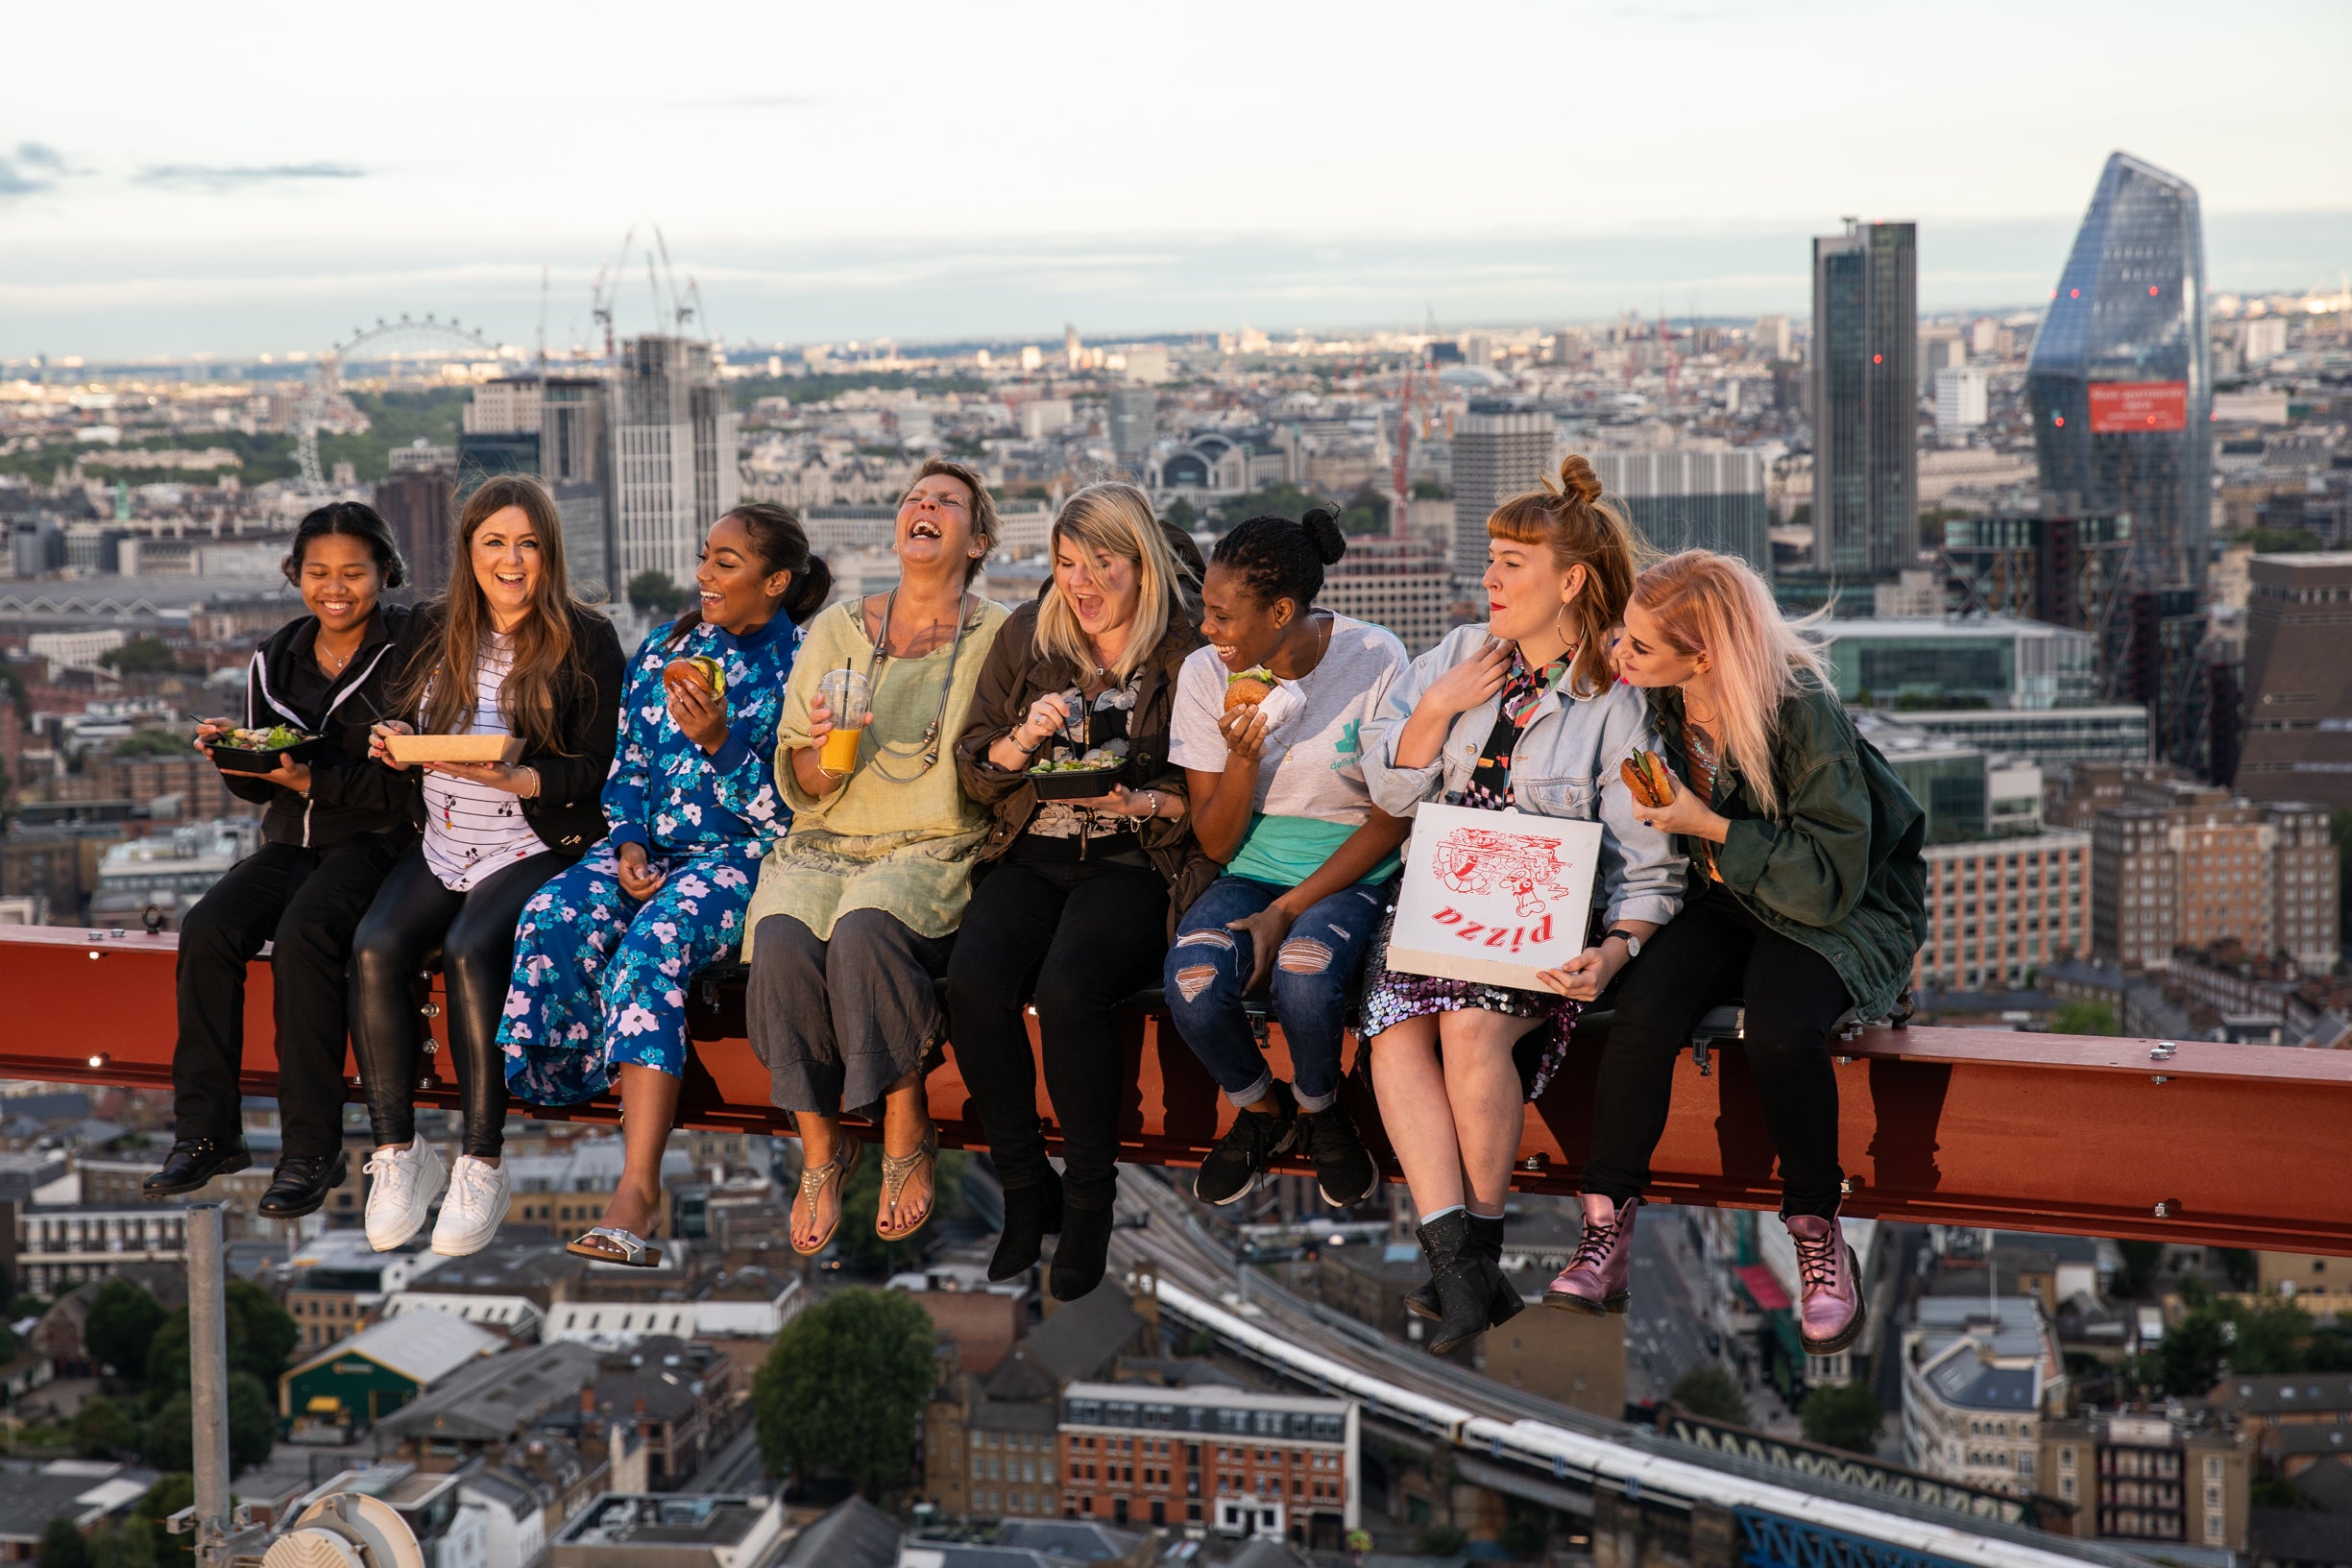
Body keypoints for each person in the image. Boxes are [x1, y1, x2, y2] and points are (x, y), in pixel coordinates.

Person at [1555, 549, 1927, 1356]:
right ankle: (1604, 1226)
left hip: (1836, 906)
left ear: (1705, 655)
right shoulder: (1653, 697)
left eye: (1641, 648)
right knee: (1645, 1010)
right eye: (1624, 637)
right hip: (1724, 893)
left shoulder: (1799, 710)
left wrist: (1708, 825)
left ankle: (1816, 1230)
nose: (1622, 656)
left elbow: (1833, 874)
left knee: (1783, 1027)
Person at [1357, 454, 1685, 1356]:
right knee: (1392, 1031)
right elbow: (1386, 787)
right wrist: (1435, 708)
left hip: (1538, 909)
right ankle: (1460, 1265)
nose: (1489, 579)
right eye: (1491, 558)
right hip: (1440, 896)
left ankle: (1478, 1248)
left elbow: (1653, 862)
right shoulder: (1460, 654)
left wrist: (1616, 950)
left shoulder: (1617, 701)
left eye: (1511, 562)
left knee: (1467, 1031)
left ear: (1569, 580)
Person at [498, 504, 826, 1265]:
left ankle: (638, 1186)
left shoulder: (803, 665)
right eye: (705, 556)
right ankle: (589, 1074)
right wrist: (630, 845)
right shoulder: (664, 649)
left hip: (746, 858)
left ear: (775, 581)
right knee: (551, 912)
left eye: (727, 562)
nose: (704, 575)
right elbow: (630, 773)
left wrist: (720, 740)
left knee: (653, 943)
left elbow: (794, 806)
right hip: (653, 849)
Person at [950, 481, 1211, 1302]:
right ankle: (1027, 1186)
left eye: (1103, 564)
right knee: (973, 982)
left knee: (1070, 991)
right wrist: (1021, 742)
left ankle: (1092, 1198)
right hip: (1031, 847)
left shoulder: (1189, 646)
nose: (1083, 584)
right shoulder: (1031, 634)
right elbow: (976, 765)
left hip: (1137, 858)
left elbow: (1217, 789)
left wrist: (1142, 798)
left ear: (1142, 563)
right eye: (1067, 564)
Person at [352, 474, 625, 1257]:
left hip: (531, 842)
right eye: (494, 543)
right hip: (440, 837)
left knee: (475, 950)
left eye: (527, 544)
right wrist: (394, 738)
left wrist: (524, 777)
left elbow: (602, 769)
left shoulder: (586, 637)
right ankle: (400, 1151)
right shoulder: (430, 629)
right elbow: (407, 724)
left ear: (550, 553)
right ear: (468, 551)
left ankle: (481, 1158)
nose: (511, 560)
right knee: (375, 946)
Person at [744, 459, 1008, 1256]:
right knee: (782, 938)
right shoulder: (834, 631)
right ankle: (820, 1144)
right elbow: (801, 780)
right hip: (826, 839)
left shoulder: (1000, 632)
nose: (922, 506)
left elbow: (1001, 761)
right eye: (911, 498)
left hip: (933, 841)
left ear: (979, 539)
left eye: (946, 501)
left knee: (864, 927)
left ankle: (904, 1120)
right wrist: (829, 749)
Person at [144, 502, 421, 1218]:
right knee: (207, 928)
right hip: (291, 838)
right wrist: (233, 755)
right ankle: (206, 1133)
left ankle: (311, 1148)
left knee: (306, 938)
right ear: (294, 574)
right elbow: (259, 778)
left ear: (384, 573)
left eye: (353, 572)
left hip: (380, 840)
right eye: (317, 571)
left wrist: (311, 778)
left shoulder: (413, 653)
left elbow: (411, 781)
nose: (335, 587)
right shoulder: (276, 654)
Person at [1162, 509, 1410, 1210]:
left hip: (1352, 865)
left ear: (1279, 610)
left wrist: (1286, 911)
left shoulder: (1373, 658)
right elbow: (1215, 842)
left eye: (1221, 614)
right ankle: (1260, 1108)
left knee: (1305, 974)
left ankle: (1319, 1103)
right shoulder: (1206, 674)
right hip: (1251, 865)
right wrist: (1242, 757)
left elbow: (1392, 816)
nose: (1207, 630)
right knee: (1192, 979)